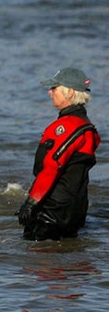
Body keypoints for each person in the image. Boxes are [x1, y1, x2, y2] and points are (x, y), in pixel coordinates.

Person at [16, 68, 100, 241]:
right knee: (68, 261)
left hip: (53, 210)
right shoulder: (88, 127)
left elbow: (51, 168)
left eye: (54, 88)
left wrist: (31, 203)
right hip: (76, 209)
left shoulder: (65, 127)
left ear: (69, 92)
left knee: (39, 262)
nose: (49, 92)